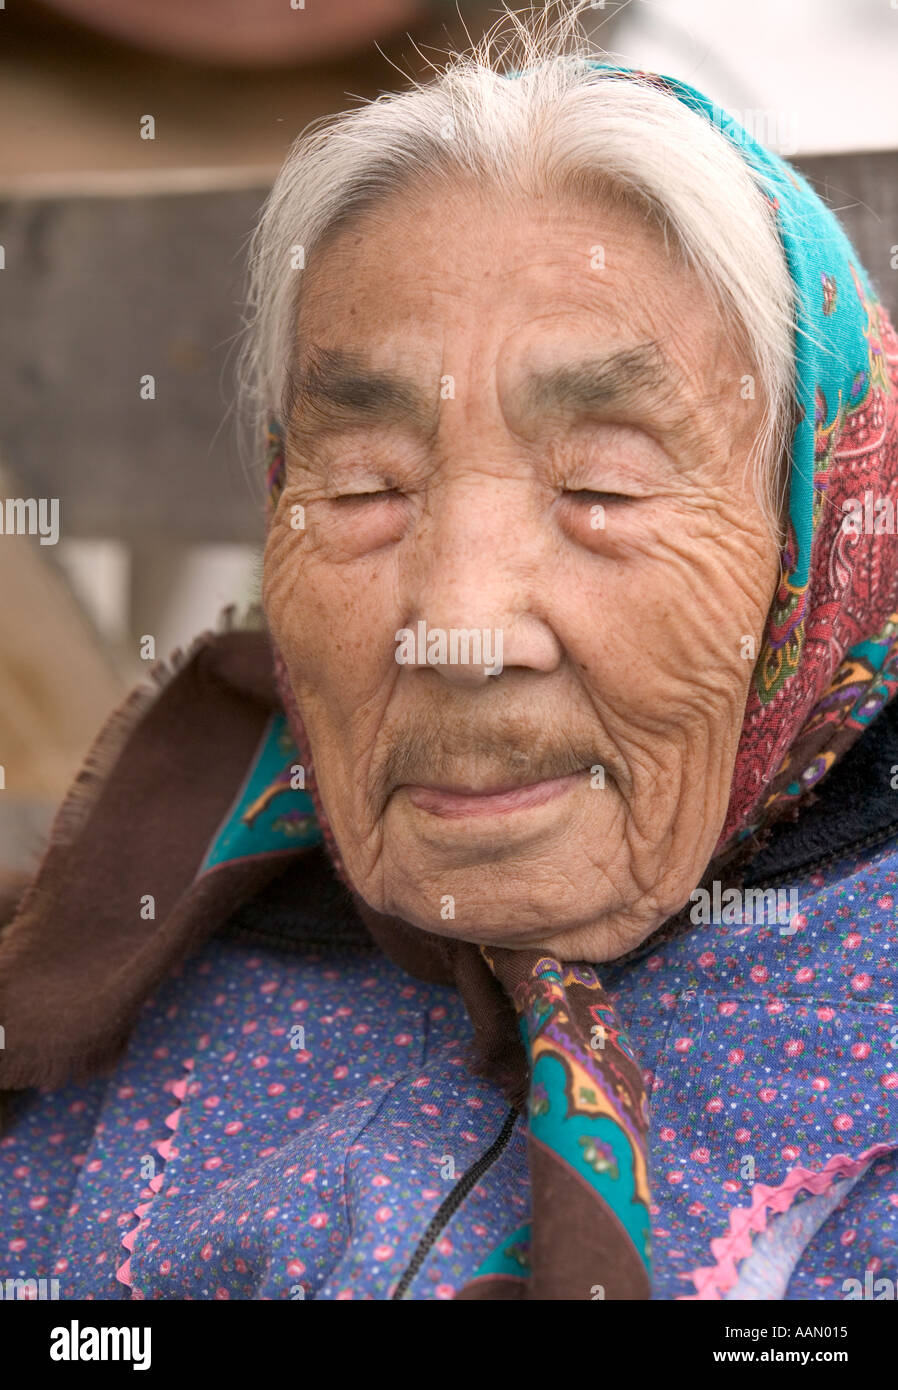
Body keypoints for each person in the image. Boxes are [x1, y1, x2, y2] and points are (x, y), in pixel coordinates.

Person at [2, 6, 897, 1301]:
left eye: (602, 486)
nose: (458, 621)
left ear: (818, 548)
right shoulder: (139, 972)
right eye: (364, 489)